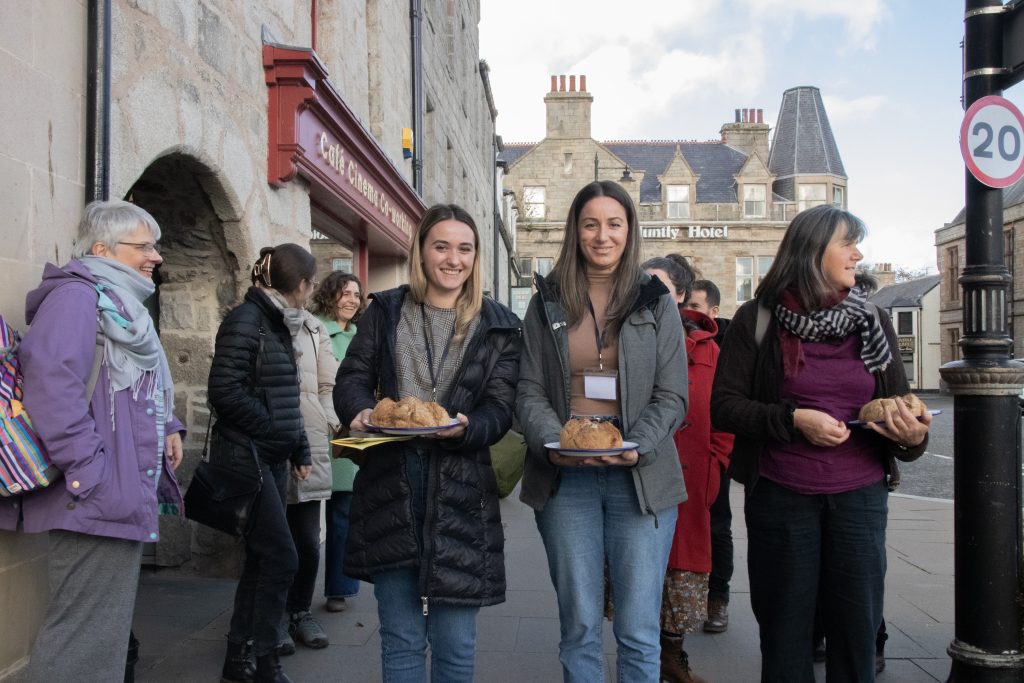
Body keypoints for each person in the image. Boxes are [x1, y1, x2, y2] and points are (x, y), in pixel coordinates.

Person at [710, 204, 931, 682]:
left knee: (856, 631)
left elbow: (897, 407)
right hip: (781, 494)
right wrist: (794, 419)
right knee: (786, 634)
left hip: (860, 497)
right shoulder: (756, 319)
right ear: (812, 252)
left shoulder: (872, 319)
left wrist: (913, 439)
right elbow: (725, 407)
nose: (858, 253)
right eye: (847, 242)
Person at [334, 204, 521, 682]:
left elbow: (500, 408)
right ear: (421, 251)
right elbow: (352, 377)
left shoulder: (499, 324)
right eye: (441, 246)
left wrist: (467, 428)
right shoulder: (387, 309)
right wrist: (357, 409)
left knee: (456, 644)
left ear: (476, 257)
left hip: (461, 491)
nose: (452, 259)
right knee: (400, 640)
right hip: (390, 484)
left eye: (464, 248)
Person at [0, 200, 185, 682]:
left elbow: (134, 385)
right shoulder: (77, 299)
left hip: (114, 490)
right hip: (95, 495)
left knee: (100, 636)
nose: (156, 256)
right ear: (103, 248)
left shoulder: (118, 303)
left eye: (155, 246)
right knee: (82, 638)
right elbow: (52, 391)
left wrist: (168, 427)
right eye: (143, 246)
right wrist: (89, 475)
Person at [516, 181, 688, 683]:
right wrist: (558, 442)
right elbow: (527, 390)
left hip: (641, 475)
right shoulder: (545, 300)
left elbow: (673, 394)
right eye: (590, 223)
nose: (602, 235)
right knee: (580, 626)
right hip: (565, 478)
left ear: (629, 230)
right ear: (575, 230)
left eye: (614, 223)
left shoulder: (657, 300)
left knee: (638, 630)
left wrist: (640, 444)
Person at [208, 244, 314, 683]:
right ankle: (265, 659)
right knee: (281, 557)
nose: (310, 295)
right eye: (310, 286)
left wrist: (299, 447)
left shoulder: (275, 322)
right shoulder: (246, 321)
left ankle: (239, 658)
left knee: (261, 558)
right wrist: (276, 431)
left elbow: (285, 394)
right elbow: (224, 392)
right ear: (302, 286)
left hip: (269, 454)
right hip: (245, 455)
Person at [640, 258, 734, 683]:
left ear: (680, 295)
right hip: (639, 473)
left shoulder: (711, 348)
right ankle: (642, 659)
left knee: (683, 567)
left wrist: (716, 461)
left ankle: (672, 658)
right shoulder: (628, 339)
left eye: (659, 285)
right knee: (640, 572)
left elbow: (723, 415)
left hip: (692, 475)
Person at [276, 272, 343, 654]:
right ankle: (274, 619)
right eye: (306, 280)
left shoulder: (315, 328)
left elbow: (325, 386)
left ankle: (300, 611)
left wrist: (331, 422)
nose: (309, 288)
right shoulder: (255, 322)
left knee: (307, 540)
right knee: (272, 542)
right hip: (271, 442)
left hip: (312, 442)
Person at [309, 271, 366, 614]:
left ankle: (339, 589)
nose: (351, 300)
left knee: (344, 512)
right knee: (303, 519)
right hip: (317, 431)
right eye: (345, 293)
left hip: (349, 434)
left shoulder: (360, 337)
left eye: (356, 296)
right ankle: (295, 595)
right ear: (329, 295)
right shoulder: (313, 330)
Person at [686, 278, 733, 634]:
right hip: (675, 453)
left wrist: (717, 458)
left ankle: (717, 597)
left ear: (713, 312)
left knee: (717, 526)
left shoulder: (723, 348)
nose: (688, 314)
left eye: (697, 307)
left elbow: (727, 409)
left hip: (709, 455)